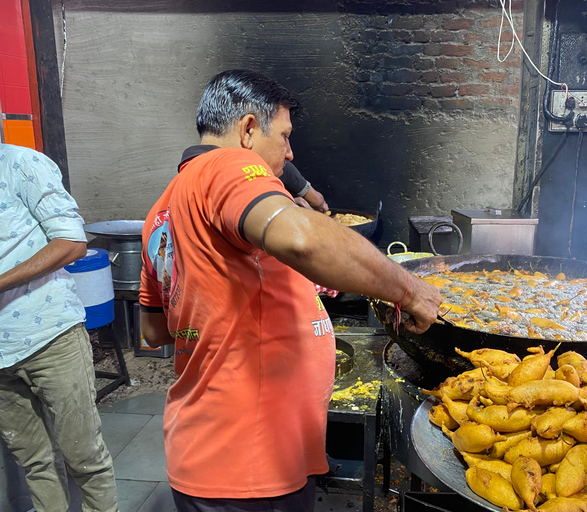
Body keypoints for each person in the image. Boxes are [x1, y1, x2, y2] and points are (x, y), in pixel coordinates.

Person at [138, 69, 442, 512]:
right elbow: (302, 238)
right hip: (250, 467)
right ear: (247, 129)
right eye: (283, 136)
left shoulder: (160, 213)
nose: (289, 151)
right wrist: (409, 289)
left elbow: (155, 332)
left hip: (204, 453)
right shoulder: (226, 164)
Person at [0, 143, 118, 512]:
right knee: (35, 463)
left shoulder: (22, 164)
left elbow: (71, 242)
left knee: (85, 457)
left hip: (51, 336)